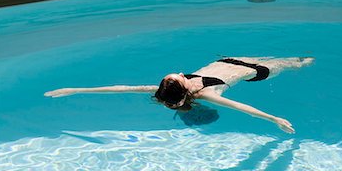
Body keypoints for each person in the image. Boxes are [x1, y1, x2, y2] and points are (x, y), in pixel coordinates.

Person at [44, 57, 314, 133]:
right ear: (184, 86)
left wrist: (76, 89)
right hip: (258, 71)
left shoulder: (167, 90)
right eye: (174, 78)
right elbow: (243, 107)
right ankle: (304, 65)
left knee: (296, 59)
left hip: (232, 59)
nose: (172, 74)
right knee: (298, 62)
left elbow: (120, 88)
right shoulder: (208, 95)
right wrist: (274, 118)